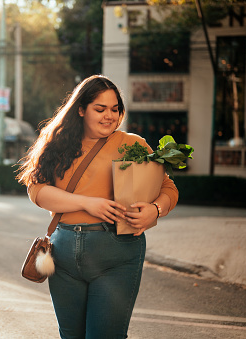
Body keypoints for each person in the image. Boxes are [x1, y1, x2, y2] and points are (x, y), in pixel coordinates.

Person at [17, 75, 178, 339]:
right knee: (71, 336)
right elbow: (36, 190)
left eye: (114, 109)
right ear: (81, 109)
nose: (109, 116)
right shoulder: (57, 144)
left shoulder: (132, 144)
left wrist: (155, 210)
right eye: (100, 109)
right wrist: (87, 203)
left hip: (117, 253)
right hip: (64, 255)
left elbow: (168, 188)